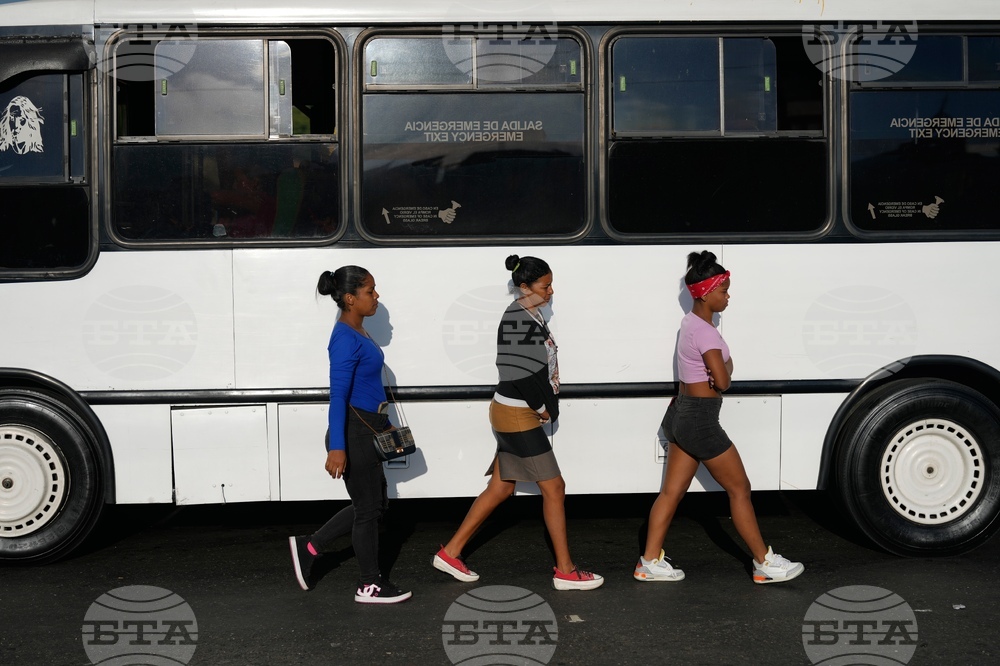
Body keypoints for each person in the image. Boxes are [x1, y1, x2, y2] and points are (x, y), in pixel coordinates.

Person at [432, 255, 604, 591]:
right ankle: (566, 571)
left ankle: (451, 553)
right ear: (524, 287)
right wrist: (542, 406)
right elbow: (517, 373)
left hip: (511, 410)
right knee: (554, 488)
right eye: (545, 285)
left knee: (501, 487)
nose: (551, 291)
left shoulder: (529, 313)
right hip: (517, 412)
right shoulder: (517, 319)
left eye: (551, 284)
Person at [635, 251, 804, 585]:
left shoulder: (689, 324)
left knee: (670, 493)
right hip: (700, 420)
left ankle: (649, 562)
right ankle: (764, 563)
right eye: (724, 290)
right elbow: (724, 381)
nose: (728, 296)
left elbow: (714, 373)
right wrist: (726, 367)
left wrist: (720, 369)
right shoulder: (708, 334)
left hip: (680, 414)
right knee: (740, 488)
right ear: (706, 292)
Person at [288, 266, 411, 604]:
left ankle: (309, 546)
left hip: (367, 429)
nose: (376, 296)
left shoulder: (358, 330)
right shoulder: (344, 337)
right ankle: (368, 584)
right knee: (369, 509)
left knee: (373, 504)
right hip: (353, 434)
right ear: (349, 298)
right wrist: (337, 448)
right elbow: (338, 395)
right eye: (370, 291)